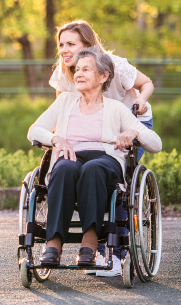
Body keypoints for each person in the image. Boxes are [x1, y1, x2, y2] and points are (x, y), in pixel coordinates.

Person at [27, 47, 161, 269]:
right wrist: (57, 139)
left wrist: (135, 133)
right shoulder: (65, 102)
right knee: (63, 169)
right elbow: (34, 130)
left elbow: (156, 143)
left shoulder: (116, 108)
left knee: (93, 169)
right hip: (71, 155)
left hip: (105, 160)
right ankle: (53, 243)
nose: (78, 73)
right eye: (77, 69)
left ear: (103, 76)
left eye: (86, 69)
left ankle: (88, 243)